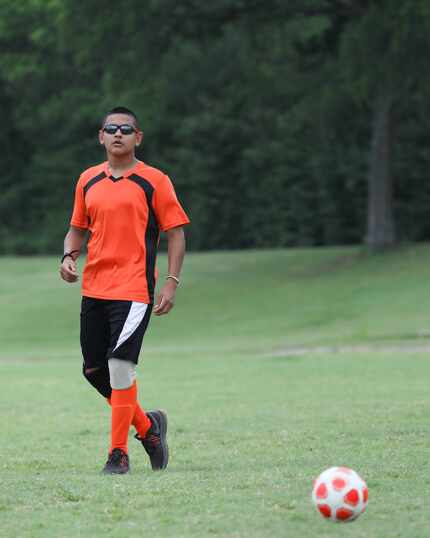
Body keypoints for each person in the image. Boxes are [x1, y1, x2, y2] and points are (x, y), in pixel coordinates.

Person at [60, 106, 190, 474]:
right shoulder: (87, 180)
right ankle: (148, 429)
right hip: (95, 288)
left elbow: (176, 233)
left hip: (133, 289)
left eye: (126, 129)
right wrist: (69, 255)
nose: (119, 134)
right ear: (101, 136)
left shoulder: (155, 180)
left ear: (138, 137)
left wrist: (171, 281)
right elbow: (76, 228)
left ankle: (118, 455)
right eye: (111, 129)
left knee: (120, 365)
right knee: (94, 370)